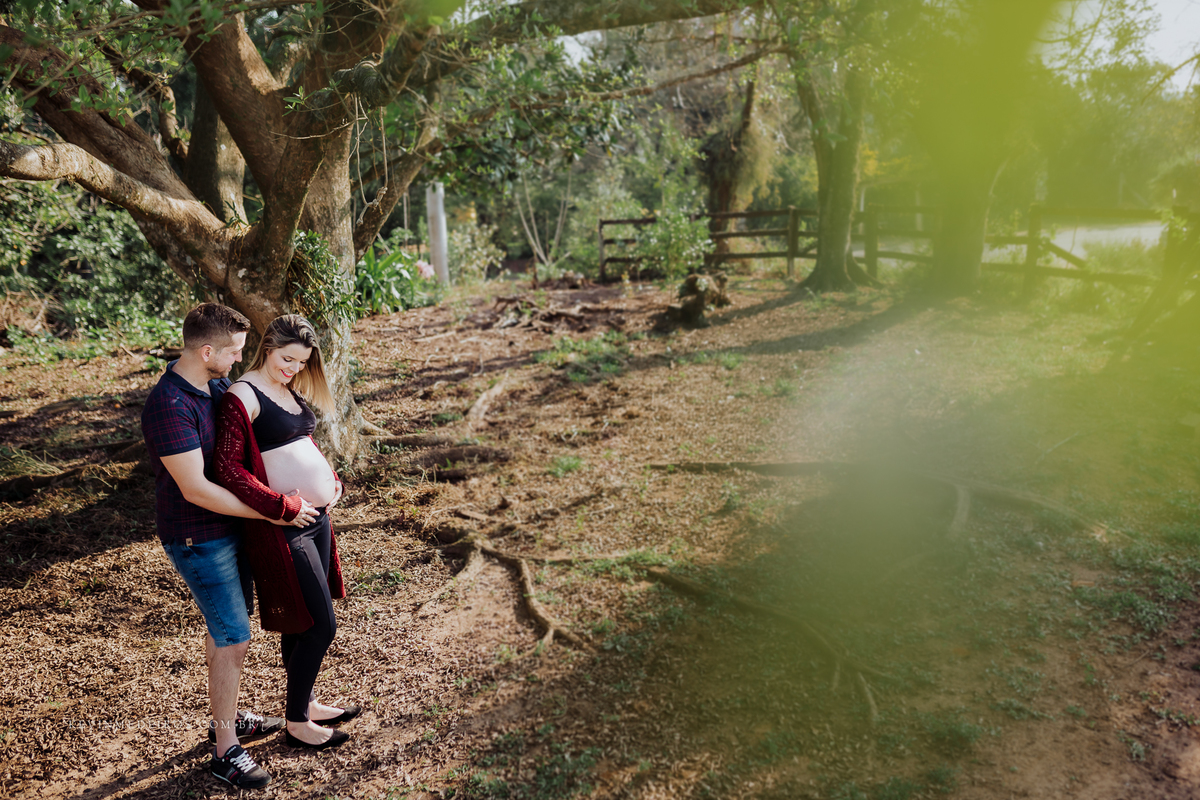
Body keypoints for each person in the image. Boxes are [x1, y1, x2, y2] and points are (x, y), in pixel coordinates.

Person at [141, 303, 319, 790]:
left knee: (225, 631)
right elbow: (195, 488)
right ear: (206, 351)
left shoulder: (214, 386)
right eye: (235, 352)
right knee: (233, 637)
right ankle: (226, 751)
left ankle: (229, 717)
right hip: (198, 537)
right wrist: (272, 509)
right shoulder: (169, 405)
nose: (241, 360)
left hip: (228, 531)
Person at [214, 314, 359, 751]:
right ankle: (297, 723)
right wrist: (282, 507)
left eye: (300, 362)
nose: (293, 367)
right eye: (286, 358)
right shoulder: (243, 395)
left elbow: (300, 445)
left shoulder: (286, 389)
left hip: (315, 520)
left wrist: (329, 479)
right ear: (268, 347)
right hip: (283, 525)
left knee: (302, 622)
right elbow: (227, 468)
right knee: (319, 625)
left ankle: (305, 702)